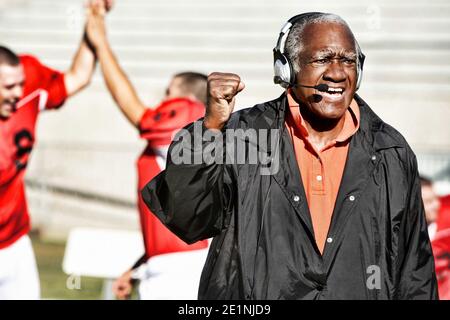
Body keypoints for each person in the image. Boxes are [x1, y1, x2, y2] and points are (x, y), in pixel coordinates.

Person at [142, 12, 438, 299]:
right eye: (322, 59)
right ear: (287, 69)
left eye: (347, 60)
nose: (337, 72)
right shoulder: (242, 135)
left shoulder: (391, 151)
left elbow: (415, 270)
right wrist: (210, 129)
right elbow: (188, 217)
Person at [85, 4, 209, 300]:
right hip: (177, 263)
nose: (162, 102)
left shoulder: (189, 114)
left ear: (184, 97)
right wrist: (138, 267)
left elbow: (134, 110)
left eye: (168, 92)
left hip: (182, 269)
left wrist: (102, 46)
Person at [0, 0, 114, 300]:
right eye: (8, 88)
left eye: (19, 85)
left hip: (14, 241)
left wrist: (94, 18)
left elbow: (78, 76)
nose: (17, 93)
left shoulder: (27, 81)